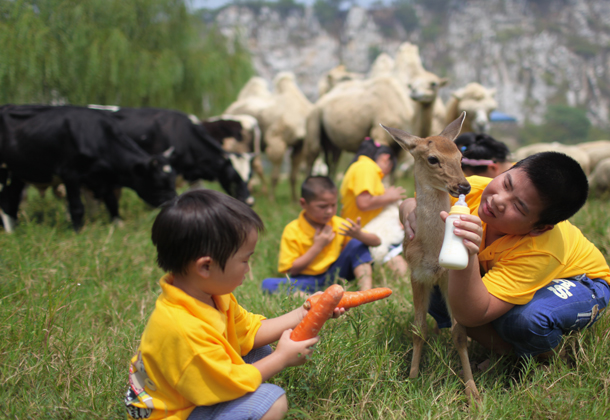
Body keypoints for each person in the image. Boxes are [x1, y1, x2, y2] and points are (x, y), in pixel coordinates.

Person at [124, 189, 345, 420]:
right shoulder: (182, 329)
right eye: (245, 260)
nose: (249, 269)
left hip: (188, 390)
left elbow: (250, 331)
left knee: (259, 350)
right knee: (272, 402)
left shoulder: (211, 295)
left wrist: (306, 311)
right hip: (172, 413)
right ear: (205, 267)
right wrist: (281, 359)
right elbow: (225, 382)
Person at [399, 152, 610, 362]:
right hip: (515, 277)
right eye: (507, 184)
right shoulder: (472, 189)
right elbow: (416, 200)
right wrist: (410, 210)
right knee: (435, 278)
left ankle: (546, 355)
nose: (499, 200)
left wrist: (468, 257)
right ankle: (504, 351)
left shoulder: (539, 250)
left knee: (525, 320)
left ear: (540, 227)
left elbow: (472, 314)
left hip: (580, 282)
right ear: (506, 169)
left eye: (519, 206)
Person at [261, 176, 380, 294]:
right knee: (268, 284)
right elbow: (292, 269)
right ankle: (312, 301)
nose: (329, 211)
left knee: (358, 243)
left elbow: (377, 242)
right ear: (303, 203)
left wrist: (359, 234)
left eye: (333, 205)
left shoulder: (338, 223)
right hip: (306, 281)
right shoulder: (293, 230)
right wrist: (317, 246)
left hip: (335, 276)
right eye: (322, 206)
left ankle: (366, 293)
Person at [339, 138, 408, 275]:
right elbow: (364, 202)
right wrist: (390, 196)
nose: (384, 175)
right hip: (363, 232)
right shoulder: (367, 167)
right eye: (389, 169)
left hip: (363, 232)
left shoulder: (361, 167)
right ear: (386, 159)